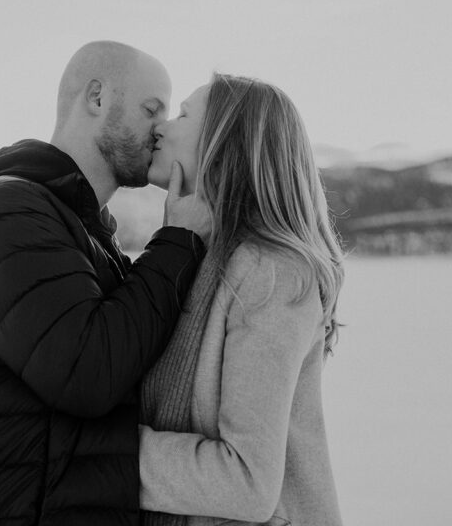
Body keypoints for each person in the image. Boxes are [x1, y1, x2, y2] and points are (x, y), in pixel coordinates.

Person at [0, 41, 211, 526]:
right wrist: (177, 241)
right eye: (150, 109)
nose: (161, 128)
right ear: (97, 98)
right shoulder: (6, 212)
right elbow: (87, 373)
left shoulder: (84, 231)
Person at [140, 74, 345, 526]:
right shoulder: (197, 255)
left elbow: (247, 481)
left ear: (224, 144)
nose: (160, 127)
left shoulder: (270, 272)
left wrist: (102, 455)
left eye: (183, 115)